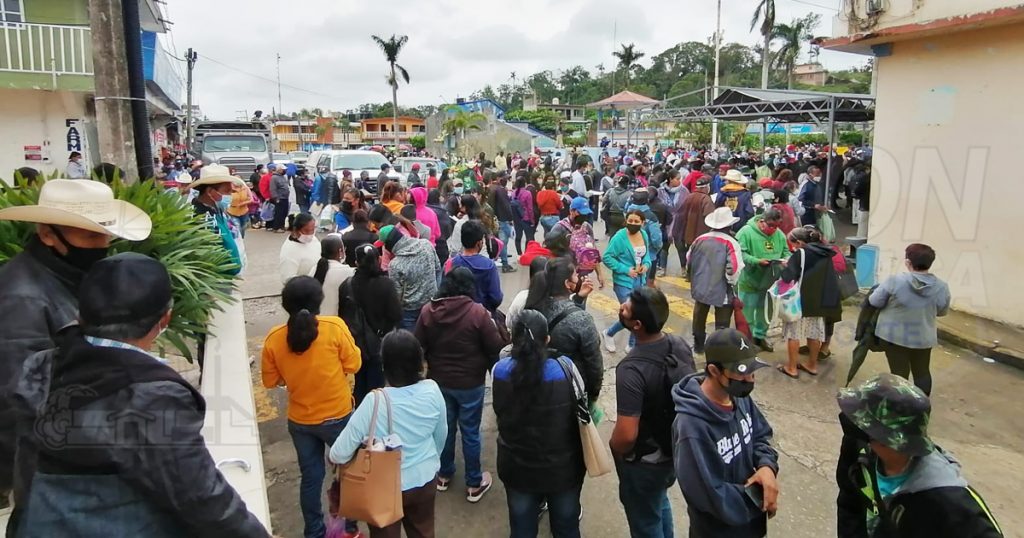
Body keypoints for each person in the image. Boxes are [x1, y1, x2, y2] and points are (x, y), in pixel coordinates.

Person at [9, 253, 268, 536]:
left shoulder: (41, 365)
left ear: (81, 314)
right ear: (165, 319)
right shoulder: (152, 397)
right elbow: (203, 499)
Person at [0, 181, 151, 507]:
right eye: (90, 236)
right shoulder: (22, 298)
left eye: (105, 235)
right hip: (50, 469)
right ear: (47, 234)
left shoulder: (68, 275)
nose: (102, 245)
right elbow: (23, 401)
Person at [835, 373, 1003, 538]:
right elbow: (849, 501)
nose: (853, 425)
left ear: (884, 438)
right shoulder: (859, 446)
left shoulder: (947, 498)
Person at [262, 276, 361, 538]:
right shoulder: (334, 327)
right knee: (348, 471)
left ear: (286, 305)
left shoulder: (274, 338)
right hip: (338, 415)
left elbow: (270, 381)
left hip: (301, 421)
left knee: (311, 478)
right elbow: (354, 365)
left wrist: (292, 375)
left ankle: (314, 532)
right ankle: (349, 527)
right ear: (320, 301)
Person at [330, 330, 446, 538]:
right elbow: (441, 435)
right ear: (420, 362)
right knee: (424, 531)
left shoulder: (374, 402)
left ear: (384, 366)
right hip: (425, 478)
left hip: (383, 487)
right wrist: (429, 460)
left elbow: (338, 453)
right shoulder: (433, 390)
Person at [672, 328, 779, 538]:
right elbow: (708, 493)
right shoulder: (691, 428)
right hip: (717, 531)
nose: (750, 379)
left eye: (752, 371)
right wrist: (760, 496)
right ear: (714, 371)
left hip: (751, 526)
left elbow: (761, 435)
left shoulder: (738, 396)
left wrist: (767, 468)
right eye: (742, 372)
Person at [610, 288, 696, 538]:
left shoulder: (631, 370)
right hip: (675, 450)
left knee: (645, 520)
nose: (620, 309)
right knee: (658, 502)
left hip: (645, 463)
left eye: (624, 309)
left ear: (636, 325)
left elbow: (626, 435)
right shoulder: (678, 343)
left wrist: (615, 447)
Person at [415, 268, 505, 502]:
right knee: (470, 432)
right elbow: (494, 347)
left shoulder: (428, 311)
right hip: (470, 383)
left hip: (439, 381)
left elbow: (417, 345)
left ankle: (443, 475)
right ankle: (474, 483)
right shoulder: (478, 313)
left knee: (444, 429)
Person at [493, 310, 585, 537]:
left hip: (517, 466)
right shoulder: (566, 368)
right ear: (547, 339)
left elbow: (499, 411)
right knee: (567, 527)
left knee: (522, 528)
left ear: (513, 339)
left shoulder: (500, 371)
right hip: (563, 468)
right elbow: (581, 405)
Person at [868, 244, 951, 396]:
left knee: (899, 373)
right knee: (922, 372)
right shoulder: (942, 287)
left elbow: (874, 301)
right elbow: (941, 311)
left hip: (894, 336)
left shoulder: (894, 281)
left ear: (908, 262)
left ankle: (902, 408)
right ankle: (921, 405)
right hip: (923, 338)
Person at [525, 257, 604, 402]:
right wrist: (593, 393)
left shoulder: (532, 306)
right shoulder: (582, 319)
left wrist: (578, 300)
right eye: (575, 275)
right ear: (568, 284)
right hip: (570, 386)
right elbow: (594, 362)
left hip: (538, 381)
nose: (578, 277)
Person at [776, 226, 842, 379]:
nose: (793, 247)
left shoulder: (801, 254)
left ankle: (791, 367)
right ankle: (812, 365)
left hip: (800, 300)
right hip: (820, 300)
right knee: (814, 334)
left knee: (794, 334)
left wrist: (785, 266)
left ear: (799, 242)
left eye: (793, 244)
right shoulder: (825, 252)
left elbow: (788, 276)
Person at [341, 244, 401, 405]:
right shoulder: (386, 285)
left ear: (356, 262)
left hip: (356, 342)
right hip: (378, 342)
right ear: (379, 259)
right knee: (376, 386)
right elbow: (395, 314)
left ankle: (361, 415)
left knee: (359, 381)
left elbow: (343, 315)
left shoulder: (347, 285)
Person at [687, 208, 745, 353]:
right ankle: (718, 348)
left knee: (699, 316)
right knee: (722, 321)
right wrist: (731, 282)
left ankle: (699, 345)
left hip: (700, 285)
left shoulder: (699, 239)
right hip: (722, 288)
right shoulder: (731, 242)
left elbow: (689, 259)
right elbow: (734, 268)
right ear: (729, 225)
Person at [735, 208, 789, 352]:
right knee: (747, 312)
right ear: (761, 221)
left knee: (765, 312)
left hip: (770, 282)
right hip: (750, 280)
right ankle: (746, 340)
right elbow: (740, 254)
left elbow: (786, 251)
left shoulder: (780, 235)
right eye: (770, 225)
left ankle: (760, 336)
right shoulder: (746, 232)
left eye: (776, 226)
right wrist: (756, 261)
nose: (773, 229)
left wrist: (786, 260)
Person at [601, 210, 653, 352]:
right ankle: (609, 333)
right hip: (623, 282)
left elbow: (647, 256)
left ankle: (632, 343)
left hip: (639, 281)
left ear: (643, 223)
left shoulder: (644, 235)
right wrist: (625, 269)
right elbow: (607, 257)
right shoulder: (619, 237)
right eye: (630, 221)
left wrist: (646, 266)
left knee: (637, 313)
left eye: (637, 222)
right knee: (631, 313)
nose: (633, 224)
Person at [378, 224, 440, 330]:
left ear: (389, 245)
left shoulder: (395, 265)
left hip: (409, 313)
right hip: (431, 305)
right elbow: (438, 269)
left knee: (410, 344)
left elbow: (397, 296)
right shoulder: (426, 245)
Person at [449, 220, 503, 312]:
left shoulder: (452, 263)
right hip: (483, 316)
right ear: (479, 243)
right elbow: (496, 298)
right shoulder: (489, 266)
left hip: (457, 315)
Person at [675, 175, 715, 274]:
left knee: (690, 254)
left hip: (688, 234)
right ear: (706, 187)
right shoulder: (706, 199)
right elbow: (710, 217)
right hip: (702, 235)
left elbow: (680, 215)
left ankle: (688, 273)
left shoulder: (689, 197)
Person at [311, 235, 353, 316]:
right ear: (340, 251)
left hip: (318, 319)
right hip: (336, 322)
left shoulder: (314, 269)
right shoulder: (347, 272)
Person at [278, 213, 320, 285]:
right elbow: (287, 279)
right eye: (306, 231)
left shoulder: (314, 240)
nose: (310, 234)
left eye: (312, 230)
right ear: (295, 230)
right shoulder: (289, 251)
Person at [490, 176, 517, 272]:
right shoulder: (500, 190)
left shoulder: (490, 189)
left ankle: (501, 258)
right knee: (503, 242)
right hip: (503, 219)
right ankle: (505, 264)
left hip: (495, 219)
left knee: (499, 241)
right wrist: (511, 218)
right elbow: (506, 206)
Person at [602, 173, 633, 239]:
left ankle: (611, 248)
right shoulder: (629, 194)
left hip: (611, 216)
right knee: (623, 237)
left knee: (612, 236)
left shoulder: (610, 191)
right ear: (627, 184)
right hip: (623, 217)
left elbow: (604, 201)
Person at [512, 176, 537, 257]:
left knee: (518, 237)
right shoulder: (527, 193)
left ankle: (519, 254)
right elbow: (530, 208)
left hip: (516, 218)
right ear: (525, 184)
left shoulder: (513, 193)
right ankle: (527, 253)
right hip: (526, 218)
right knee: (529, 237)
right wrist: (532, 221)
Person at [426, 189, 453, 262]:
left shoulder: (424, 210)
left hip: (426, 247)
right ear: (438, 198)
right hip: (440, 246)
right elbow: (448, 230)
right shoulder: (443, 212)